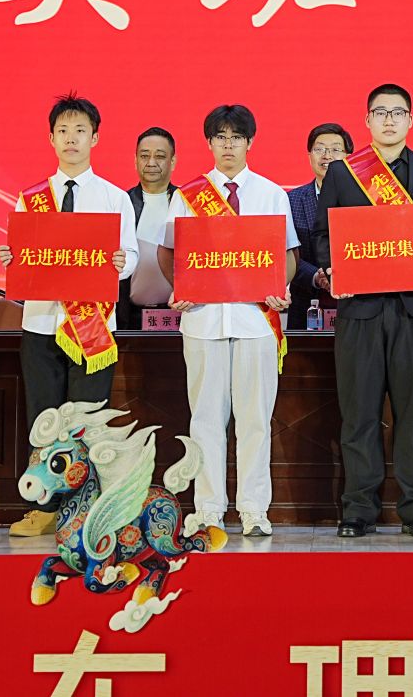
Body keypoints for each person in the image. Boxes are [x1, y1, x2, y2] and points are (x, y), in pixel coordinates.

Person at [313, 82, 413, 538]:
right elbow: (323, 234)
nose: (389, 120)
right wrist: (333, 266)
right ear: (367, 121)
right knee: (359, 413)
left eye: (398, 113)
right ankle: (358, 509)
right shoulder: (344, 173)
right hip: (359, 310)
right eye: (380, 112)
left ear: (411, 120)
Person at [0, 94, 136, 538]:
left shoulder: (114, 197)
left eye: (80, 130)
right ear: (51, 138)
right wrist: (11, 258)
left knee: (87, 423)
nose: (71, 138)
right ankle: (44, 507)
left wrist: (121, 263)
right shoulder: (31, 199)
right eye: (63, 131)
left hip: (93, 329)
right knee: (44, 419)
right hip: (41, 323)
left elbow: (130, 257)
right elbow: (22, 257)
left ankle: (84, 509)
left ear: (95, 138)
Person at [160, 105, 299, 538]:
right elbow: (169, 252)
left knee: (255, 420)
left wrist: (281, 288)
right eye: (220, 137)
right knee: (204, 419)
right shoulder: (187, 195)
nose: (228, 145)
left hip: (256, 320)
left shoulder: (271, 193)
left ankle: (254, 509)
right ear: (208, 143)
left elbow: (288, 255)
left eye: (236, 137)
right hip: (202, 320)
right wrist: (181, 288)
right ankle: (209, 509)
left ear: (249, 142)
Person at [289, 122, 351, 318]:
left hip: (355, 305)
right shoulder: (291, 200)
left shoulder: (364, 200)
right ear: (309, 156)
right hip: (305, 304)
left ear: (349, 157)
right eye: (319, 149)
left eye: (335, 150)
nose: (327, 155)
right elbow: (284, 253)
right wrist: (316, 275)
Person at [121, 127, 179, 329]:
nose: (151, 163)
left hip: (181, 314)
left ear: (173, 161)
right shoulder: (122, 202)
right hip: (130, 317)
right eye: (144, 156)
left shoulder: (188, 203)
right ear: (135, 160)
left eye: (160, 156)